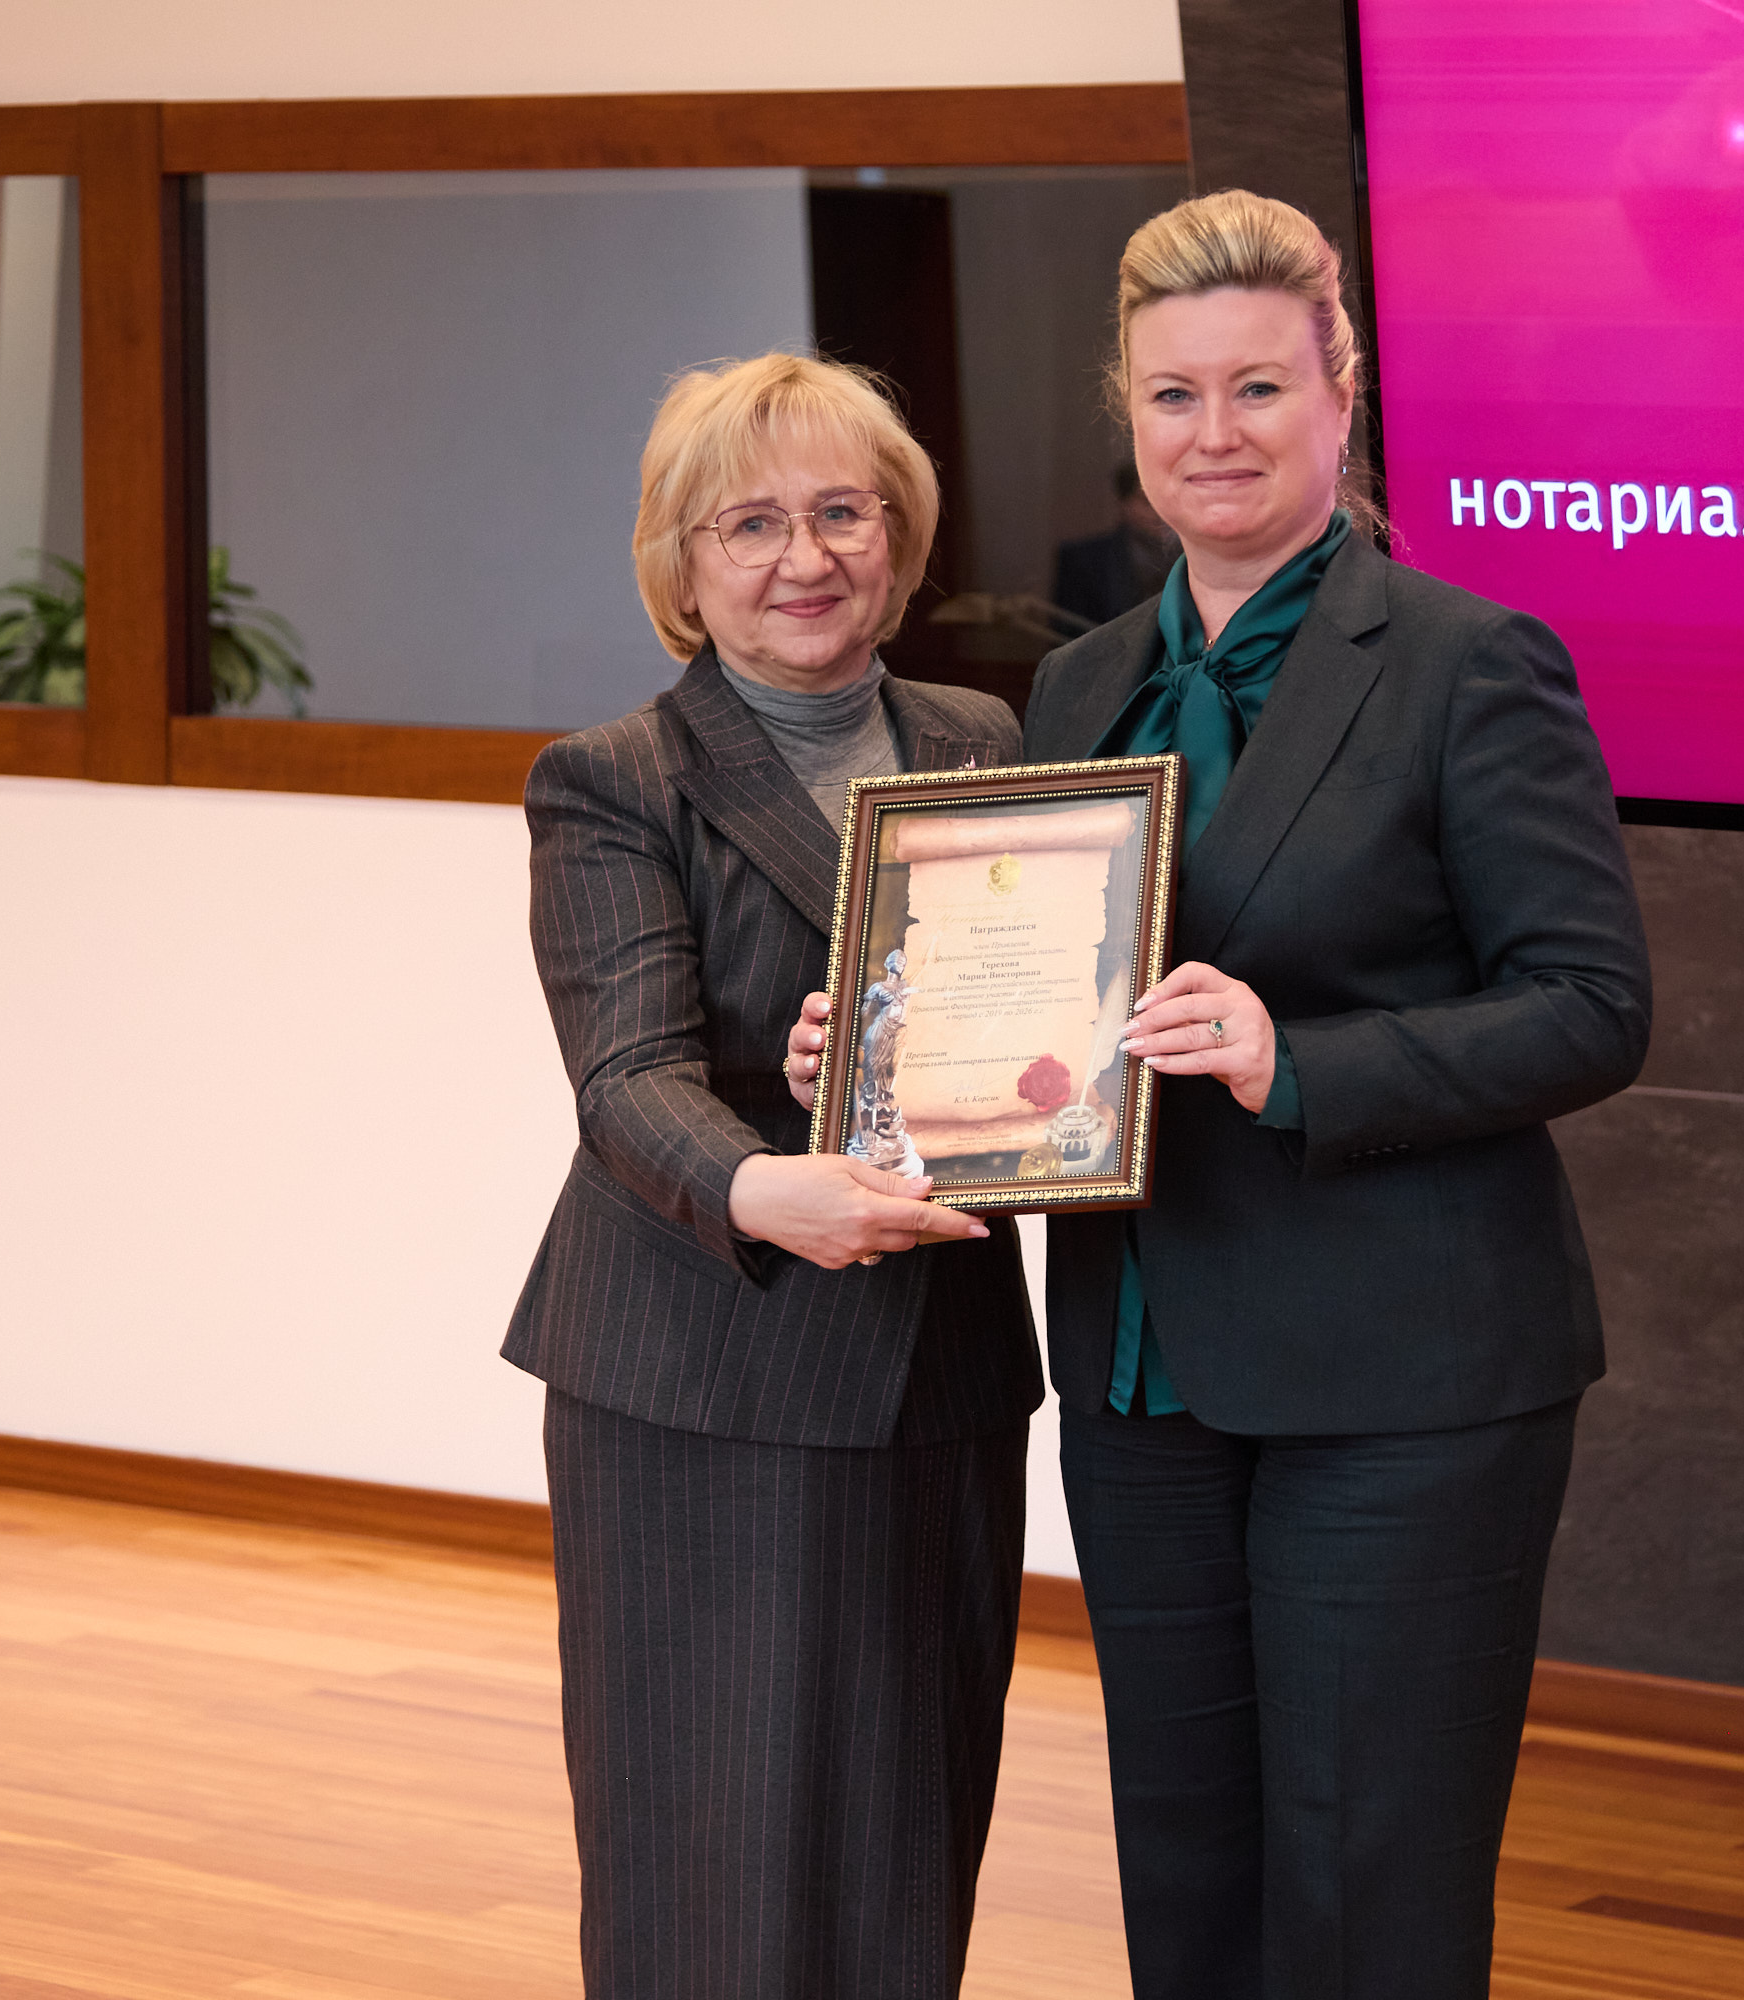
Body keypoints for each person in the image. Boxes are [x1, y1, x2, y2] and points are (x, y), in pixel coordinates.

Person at [1030, 189, 1652, 1997]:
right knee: (1189, 1877)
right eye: (1172, 395)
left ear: (1342, 392)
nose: (1213, 434)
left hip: (1402, 1384)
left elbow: (1592, 1009)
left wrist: (1297, 1061)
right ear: (1128, 411)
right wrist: (890, 1054)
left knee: (1368, 1883)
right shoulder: (1078, 682)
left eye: (1258, 388)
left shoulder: (1469, 662)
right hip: (1141, 1375)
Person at [503, 350, 1044, 2000]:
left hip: (939, 1363)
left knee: (909, 1824)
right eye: (749, 523)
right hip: (706, 1365)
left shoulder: (981, 737)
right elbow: (628, 1078)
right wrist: (766, 1182)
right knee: (712, 1842)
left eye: (841, 513)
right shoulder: (614, 777)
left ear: (901, 535)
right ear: (682, 564)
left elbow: (1023, 1009)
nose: (803, 558)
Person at [1049, 460, 1181, 630]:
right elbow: (1068, 635)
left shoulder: (1196, 557)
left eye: (1169, 501)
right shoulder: (1083, 560)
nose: (1161, 512)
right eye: (1147, 502)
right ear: (1124, 504)